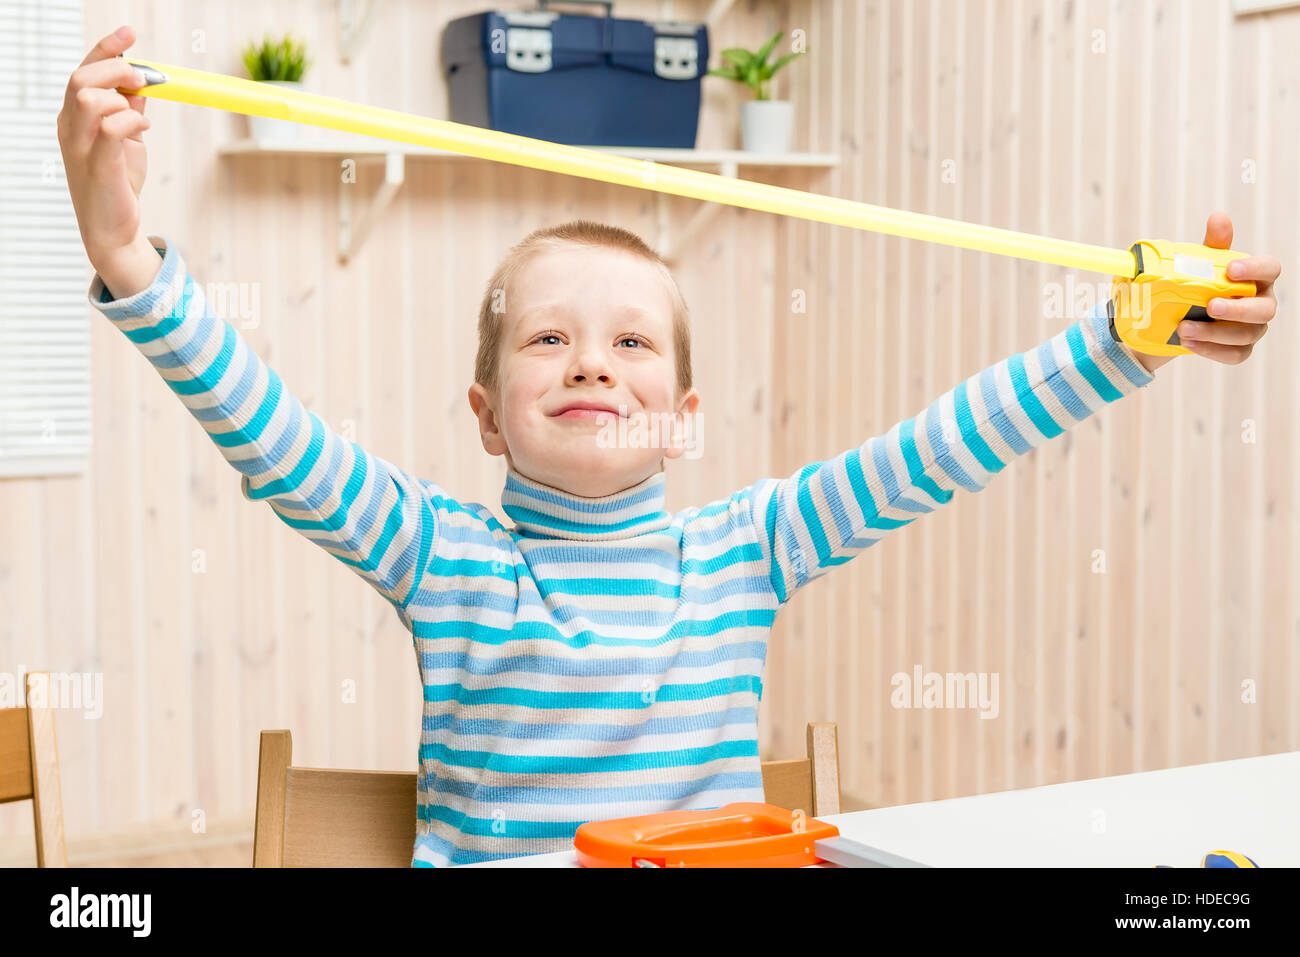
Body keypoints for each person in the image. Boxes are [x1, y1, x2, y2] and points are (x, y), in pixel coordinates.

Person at [58, 25, 1282, 867]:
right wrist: (129, 259)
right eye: (547, 339)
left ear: (685, 420)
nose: (593, 362)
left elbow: (943, 444)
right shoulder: (440, 553)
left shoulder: (747, 546)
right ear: (485, 413)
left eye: (634, 344)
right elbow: (278, 442)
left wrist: (1122, 345)